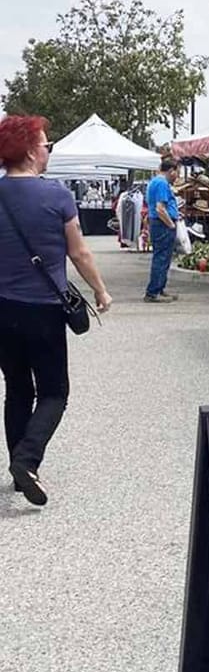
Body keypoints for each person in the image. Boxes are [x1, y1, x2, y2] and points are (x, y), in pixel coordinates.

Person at [0, 115, 112, 506]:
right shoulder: (58, 196)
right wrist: (101, 291)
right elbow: (78, 252)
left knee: (16, 389)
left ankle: (19, 468)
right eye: (47, 145)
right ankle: (27, 461)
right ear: (31, 151)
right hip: (44, 311)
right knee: (53, 391)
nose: (49, 150)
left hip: (2, 309)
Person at [145, 158, 180, 303]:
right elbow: (160, 208)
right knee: (161, 258)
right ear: (171, 170)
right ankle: (153, 292)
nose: (177, 176)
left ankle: (159, 288)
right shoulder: (161, 183)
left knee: (163, 258)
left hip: (159, 223)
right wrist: (171, 224)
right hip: (162, 224)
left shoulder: (155, 182)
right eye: (177, 172)